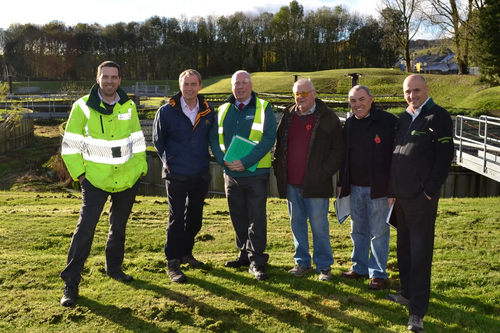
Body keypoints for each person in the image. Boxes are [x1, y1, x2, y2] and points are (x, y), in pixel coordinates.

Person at [59, 61, 148, 306]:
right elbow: (70, 147)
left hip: (127, 180)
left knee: (118, 227)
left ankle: (114, 268)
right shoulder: (82, 107)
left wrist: (141, 168)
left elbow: (138, 140)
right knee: (85, 229)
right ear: (97, 78)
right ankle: (71, 282)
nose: (110, 81)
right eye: (105, 77)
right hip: (95, 181)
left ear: (120, 80)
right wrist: (81, 176)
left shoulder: (128, 105)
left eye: (114, 77)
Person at [386, 74, 454, 333]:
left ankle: (417, 312)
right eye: (407, 92)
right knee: (403, 249)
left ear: (426, 89)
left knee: (420, 253)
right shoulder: (403, 119)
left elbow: (445, 157)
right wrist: (392, 191)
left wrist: (429, 191)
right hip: (400, 199)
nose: (411, 96)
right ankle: (405, 292)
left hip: (421, 199)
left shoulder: (438, 117)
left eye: (416, 90)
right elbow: (396, 157)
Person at [209, 70, 276, 281]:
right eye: (236, 83)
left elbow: (268, 139)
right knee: (237, 215)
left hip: (255, 173)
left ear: (251, 84)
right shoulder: (221, 110)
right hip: (230, 173)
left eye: (244, 83)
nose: (240, 87)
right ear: (232, 86)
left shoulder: (264, 108)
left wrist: (245, 162)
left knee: (256, 217)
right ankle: (243, 254)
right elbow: (214, 139)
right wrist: (223, 160)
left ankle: (257, 260)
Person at [274, 78, 344, 282]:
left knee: (319, 227)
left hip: (316, 184)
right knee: (297, 224)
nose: (300, 98)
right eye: (296, 94)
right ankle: (302, 263)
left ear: (314, 94)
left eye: (304, 93)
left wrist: (323, 173)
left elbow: (338, 150)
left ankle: (324, 267)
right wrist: (280, 173)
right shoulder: (287, 116)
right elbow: (280, 146)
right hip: (291, 183)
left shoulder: (328, 117)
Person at [153, 69, 215, 283]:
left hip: (199, 173)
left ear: (200, 86)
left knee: (195, 219)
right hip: (176, 174)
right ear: (180, 86)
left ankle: (187, 253)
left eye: (193, 84)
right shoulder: (166, 111)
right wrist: (168, 162)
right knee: (176, 218)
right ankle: (173, 261)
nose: (189, 88)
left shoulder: (208, 110)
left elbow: (212, 138)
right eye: (185, 84)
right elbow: (158, 141)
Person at [337, 85, 397, 290]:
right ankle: (359, 267)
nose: (357, 104)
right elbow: (344, 158)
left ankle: (378, 273)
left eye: (361, 99)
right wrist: (341, 183)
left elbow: (396, 157)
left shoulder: (388, 122)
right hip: (354, 187)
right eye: (353, 101)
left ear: (372, 99)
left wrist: (393, 189)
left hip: (379, 189)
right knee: (358, 230)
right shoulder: (349, 124)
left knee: (379, 232)